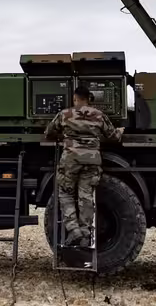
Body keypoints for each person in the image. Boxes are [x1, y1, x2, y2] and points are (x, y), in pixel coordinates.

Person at [43, 86, 124, 247]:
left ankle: (74, 230)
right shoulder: (99, 115)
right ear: (89, 99)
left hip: (71, 160)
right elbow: (113, 136)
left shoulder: (65, 114)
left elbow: (49, 132)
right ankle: (86, 232)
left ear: (75, 98)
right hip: (92, 159)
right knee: (86, 195)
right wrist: (121, 130)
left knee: (65, 193)